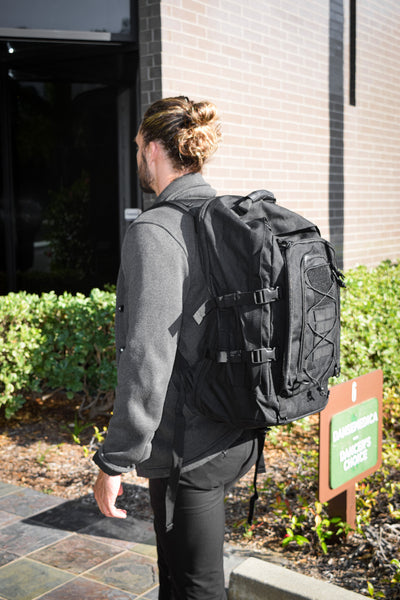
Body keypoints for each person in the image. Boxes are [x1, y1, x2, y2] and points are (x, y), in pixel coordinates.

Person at [93, 96, 259, 600]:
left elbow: (147, 357)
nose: (138, 157)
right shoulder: (227, 217)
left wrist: (114, 461)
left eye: (140, 146)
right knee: (182, 579)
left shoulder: (156, 230)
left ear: (155, 149)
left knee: (194, 585)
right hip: (237, 425)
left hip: (191, 445)